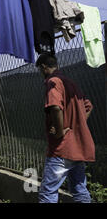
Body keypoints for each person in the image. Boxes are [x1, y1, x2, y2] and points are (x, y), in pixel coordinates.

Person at [35, 53, 95, 203]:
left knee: (48, 192)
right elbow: (88, 107)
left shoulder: (53, 81)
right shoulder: (70, 82)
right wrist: (77, 124)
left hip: (62, 149)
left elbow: (55, 107)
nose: (40, 74)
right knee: (80, 190)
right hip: (78, 148)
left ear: (43, 67)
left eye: (39, 70)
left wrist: (60, 130)